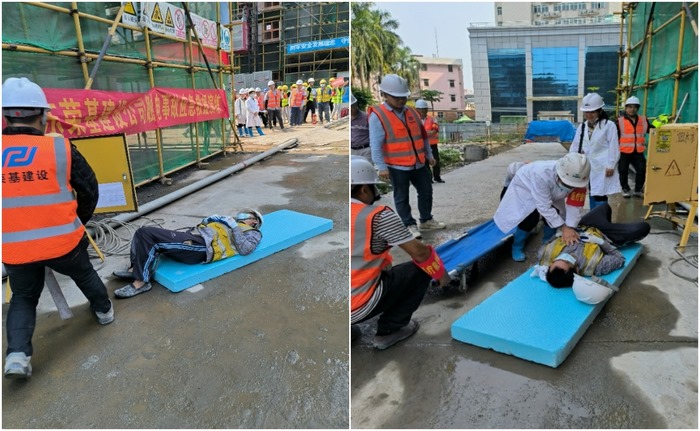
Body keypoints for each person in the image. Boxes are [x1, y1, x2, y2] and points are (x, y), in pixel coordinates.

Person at [2, 77, 114, 379]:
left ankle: (17, 355)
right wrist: (78, 221)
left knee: (24, 296)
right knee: (84, 274)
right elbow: (89, 189)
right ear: (43, 116)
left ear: (5, 116)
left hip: (15, 249)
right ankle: (104, 311)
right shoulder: (60, 148)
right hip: (63, 242)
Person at [350, 157, 451, 350]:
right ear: (364, 189)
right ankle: (390, 330)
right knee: (421, 269)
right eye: (373, 187)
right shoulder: (376, 216)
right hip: (356, 304)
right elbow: (420, 253)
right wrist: (442, 276)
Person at [112, 209, 263, 298]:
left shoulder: (253, 232)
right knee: (141, 232)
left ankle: (141, 282)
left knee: (148, 234)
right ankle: (134, 269)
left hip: (203, 248)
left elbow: (246, 249)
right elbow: (207, 229)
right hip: (193, 236)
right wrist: (207, 220)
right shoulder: (228, 222)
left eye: (247, 215)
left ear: (255, 221)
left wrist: (234, 226)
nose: (242, 215)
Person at [369, 74, 445, 239]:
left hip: (419, 163)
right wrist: (381, 167)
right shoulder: (378, 115)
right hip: (396, 166)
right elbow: (375, 144)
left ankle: (426, 220)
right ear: (385, 95)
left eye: (403, 97)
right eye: (396, 97)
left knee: (426, 191)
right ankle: (409, 224)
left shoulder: (412, 112)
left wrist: (429, 154)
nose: (401, 100)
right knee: (401, 196)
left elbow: (423, 136)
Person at [494, 153, 591, 262]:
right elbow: (544, 206)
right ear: (560, 173)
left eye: (572, 185)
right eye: (567, 184)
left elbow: (575, 206)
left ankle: (547, 243)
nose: (570, 187)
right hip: (527, 187)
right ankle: (517, 246)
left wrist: (570, 227)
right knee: (530, 218)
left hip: (552, 192)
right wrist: (564, 228)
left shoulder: (580, 180)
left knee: (557, 214)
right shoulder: (541, 174)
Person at [538, 202, 650, 287]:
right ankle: (611, 228)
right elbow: (620, 259)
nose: (564, 256)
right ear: (576, 271)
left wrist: (558, 234)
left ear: (551, 264)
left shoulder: (544, 255)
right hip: (605, 235)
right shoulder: (595, 266)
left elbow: (549, 242)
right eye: (567, 261)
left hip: (583, 225)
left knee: (604, 206)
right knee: (642, 228)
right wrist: (601, 242)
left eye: (558, 259)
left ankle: (607, 223)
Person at [570, 93, 621, 209]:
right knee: (591, 191)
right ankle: (593, 216)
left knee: (600, 194)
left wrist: (611, 165)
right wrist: (571, 161)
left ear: (599, 111)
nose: (589, 115)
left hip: (603, 166)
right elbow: (575, 145)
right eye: (586, 112)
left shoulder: (609, 126)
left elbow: (614, 146)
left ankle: (601, 218)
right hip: (587, 165)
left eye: (592, 112)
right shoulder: (582, 127)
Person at [617, 96, 653, 198]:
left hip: (638, 151)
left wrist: (660, 126)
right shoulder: (619, 121)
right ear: (626, 108)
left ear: (637, 108)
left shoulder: (643, 120)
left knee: (642, 170)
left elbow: (651, 130)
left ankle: (638, 189)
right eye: (630, 107)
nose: (632, 109)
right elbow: (614, 136)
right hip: (624, 151)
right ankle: (625, 188)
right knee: (623, 171)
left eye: (635, 107)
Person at [414, 99, 444, 183]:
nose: (422, 111)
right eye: (420, 109)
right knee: (425, 163)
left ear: (427, 110)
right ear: (417, 110)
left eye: (424, 109)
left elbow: (434, 131)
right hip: (420, 145)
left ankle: (437, 177)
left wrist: (422, 133)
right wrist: (426, 132)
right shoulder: (414, 120)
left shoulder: (432, 119)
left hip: (432, 144)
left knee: (435, 161)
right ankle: (429, 178)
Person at [350, 91, 371, 162]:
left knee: (367, 167)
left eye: (352, 106)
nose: (351, 109)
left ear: (356, 105)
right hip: (352, 150)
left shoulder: (366, 118)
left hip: (366, 150)